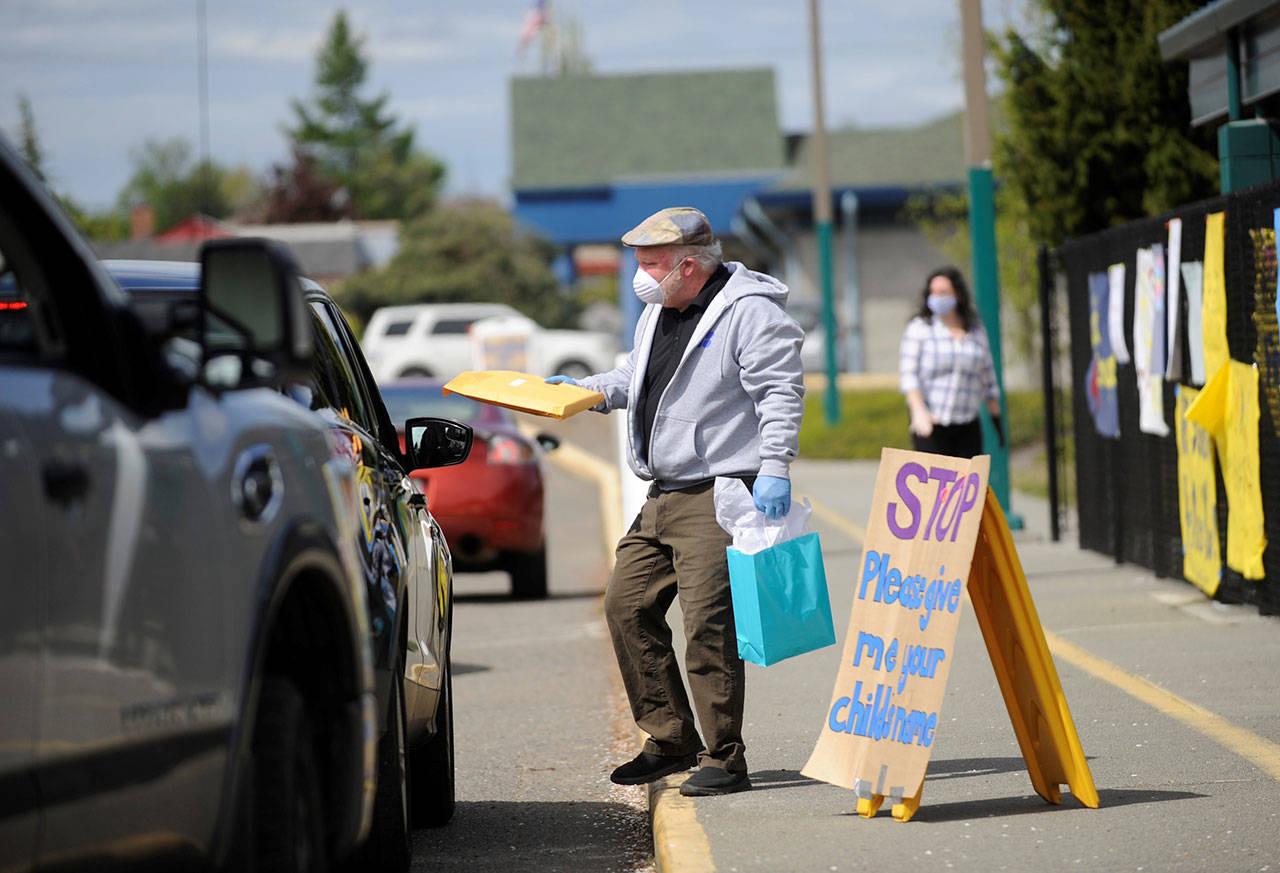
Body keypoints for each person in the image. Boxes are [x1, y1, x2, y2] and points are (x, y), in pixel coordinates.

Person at [546, 206, 805, 796]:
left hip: (718, 491)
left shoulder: (750, 312)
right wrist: (584, 392)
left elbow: (780, 392)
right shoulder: (659, 312)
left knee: (708, 625)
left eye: (651, 264)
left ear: (688, 266)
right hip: (662, 491)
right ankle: (670, 738)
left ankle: (725, 758)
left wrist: (774, 466)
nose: (640, 276)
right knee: (625, 605)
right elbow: (637, 377)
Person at [898, 265, 1003, 458]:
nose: (937, 297)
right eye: (933, 292)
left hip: (967, 424)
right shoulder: (920, 328)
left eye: (943, 292)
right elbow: (908, 375)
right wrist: (918, 411)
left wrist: (996, 420)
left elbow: (987, 379)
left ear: (958, 295)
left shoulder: (976, 330)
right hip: (931, 424)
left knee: (967, 477)